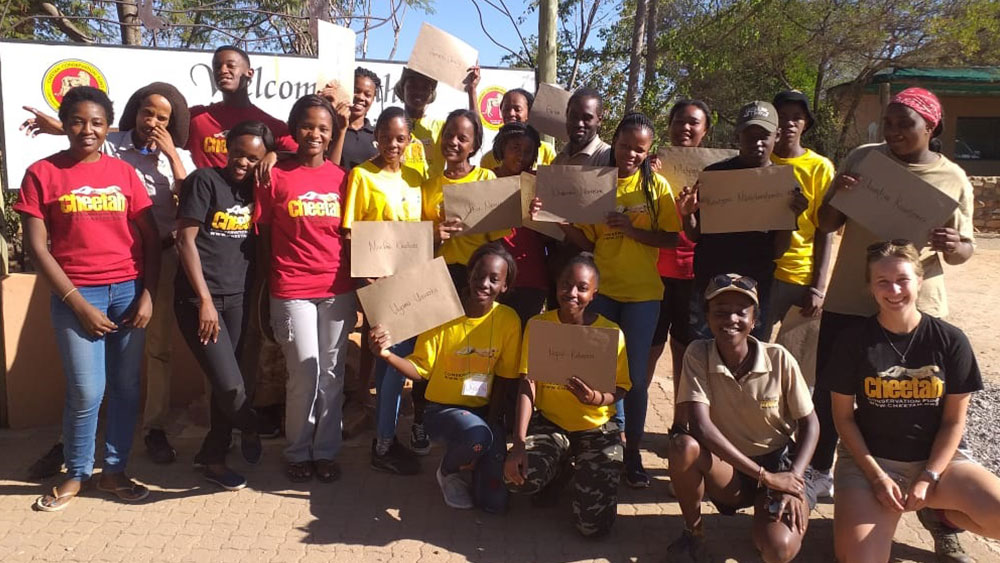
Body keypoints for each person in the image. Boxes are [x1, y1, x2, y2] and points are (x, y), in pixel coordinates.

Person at [812, 87, 976, 560]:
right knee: (834, 400)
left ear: (931, 127)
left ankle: (939, 514)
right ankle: (820, 481)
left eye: (906, 124)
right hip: (851, 301)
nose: (894, 132)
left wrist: (954, 246)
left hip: (915, 310)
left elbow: (965, 248)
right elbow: (825, 223)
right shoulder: (864, 159)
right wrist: (839, 196)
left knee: (921, 408)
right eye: (888, 122)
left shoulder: (952, 178)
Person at [20, 82, 197, 471]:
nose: (153, 122)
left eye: (162, 117)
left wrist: (171, 154)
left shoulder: (179, 156)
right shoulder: (113, 145)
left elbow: (190, 201)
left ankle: (152, 430)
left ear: (173, 123)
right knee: (87, 382)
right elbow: (86, 134)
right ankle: (70, 445)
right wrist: (59, 125)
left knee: (156, 352)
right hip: (94, 272)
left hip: (157, 260)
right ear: (134, 113)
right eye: (147, 113)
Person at [825, 240, 1000, 562]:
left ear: (920, 281)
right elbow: (843, 418)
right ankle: (872, 516)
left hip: (938, 464)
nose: (894, 290)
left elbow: (954, 422)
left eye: (902, 279)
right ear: (870, 287)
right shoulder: (853, 340)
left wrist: (929, 477)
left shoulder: (950, 340)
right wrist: (877, 477)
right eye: (882, 281)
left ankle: (942, 514)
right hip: (872, 463)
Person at [550, 112, 680, 488]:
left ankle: (633, 452)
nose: (630, 154)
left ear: (648, 150)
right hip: (603, 294)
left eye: (639, 149)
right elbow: (588, 242)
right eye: (624, 146)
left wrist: (634, 232)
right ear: (615, 143)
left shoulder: (656, 188)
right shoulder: (598, 184)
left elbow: (672, 238)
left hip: (643, 296)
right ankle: (608, 446)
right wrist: (562, 223)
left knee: (634, 379)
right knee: (602, 372)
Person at [667, 274, 819, 563]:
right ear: (707, 317)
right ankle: (693, 533)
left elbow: (810, 424)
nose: (731, 319)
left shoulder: (779, 358)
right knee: (682, 447)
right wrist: (763, 476)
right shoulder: (698, 354)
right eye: (721, 311)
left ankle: (769, 519)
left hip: (778, 465)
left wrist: (794, 478)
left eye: (741, 312)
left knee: (778, 549)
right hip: (730, 470)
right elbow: (701, 426)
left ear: (755, 320)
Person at [370, 242, 522, 512]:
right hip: (441, 410)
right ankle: (448, 471)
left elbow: (504, 378)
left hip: (483, 413)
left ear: (504, 286)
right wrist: (386, 355)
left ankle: (474, 453)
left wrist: (491, 425)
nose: (484, 284)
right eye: (479, 275)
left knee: (494, 503)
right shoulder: (443, 315)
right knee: (476, 437)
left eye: (494, 279)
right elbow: (419, 370)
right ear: (469, 274)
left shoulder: (508, 320)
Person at [257, 95, 355, 482]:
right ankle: (297, 451)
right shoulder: (275, 176)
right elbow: (264, 235)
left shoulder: (344, 179)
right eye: (308, 126)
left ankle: (326, 452)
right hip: (291, 288)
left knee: (332, 374)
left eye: (323, 128)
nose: (315, 133)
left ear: (332, 135)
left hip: (336, 288)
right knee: (304, 372)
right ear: (295, 129)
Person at [504, 253, 630, 537]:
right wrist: (519, 444)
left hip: (597, 427)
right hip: (551, 423)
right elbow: (528, 385)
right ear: (556, 285)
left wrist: (596, 399)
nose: (572, 293)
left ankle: (589, 472)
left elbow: (621, 388)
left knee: (593, 529)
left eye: (582, 288)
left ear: (594, 293)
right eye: (565, 285)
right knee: (517, 479)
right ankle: (561, 470)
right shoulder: (539, 326)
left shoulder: (610, 333)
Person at [175, 120, 272, 490]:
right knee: (231, 386)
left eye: (253, 158)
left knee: (225, 383)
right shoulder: (204, 181)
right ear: (227, 150)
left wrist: (275, 156)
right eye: (238, 154)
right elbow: (185, 241)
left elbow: (293, 152)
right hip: (200, 300)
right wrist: (204, 301)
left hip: (239, 298)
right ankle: (252, 426)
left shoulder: (254, 189)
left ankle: (212, 457)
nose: (243, 162)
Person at [676, 101, 807, 342]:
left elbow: (779, 250)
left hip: (755, 289)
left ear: (777, 136)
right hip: (710, 285)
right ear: (738, 135)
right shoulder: (714, 176)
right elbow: (695, 235)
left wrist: (791, 218)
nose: (757, 142)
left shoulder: (784, 185)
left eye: (764, 135)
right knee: (704, 352)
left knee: (750, 355)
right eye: (749, 135)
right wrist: (687, 214)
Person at [342, 106, 426, 475]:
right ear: (376, 137)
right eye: (387, 137)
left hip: (412, 283)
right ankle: (383, 445)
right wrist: (366, 282)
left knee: (398, 361)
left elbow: (421, 232)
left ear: (409, 141)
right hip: (379, 285)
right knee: (388, 360)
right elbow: (350, 233)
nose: (393, 144)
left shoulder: (416, 178)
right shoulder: (362, 175)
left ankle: (387, 438)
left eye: (400, 138)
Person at [648, 99, 712, 430]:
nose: (685, 128)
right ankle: (629, 427)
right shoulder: (650, 165)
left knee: (685, 353)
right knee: (648, 349)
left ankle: (681, 426)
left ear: (705, 131)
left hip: (693, 276)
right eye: (679, 121)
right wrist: (648, 174)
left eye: (693, 123)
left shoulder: (716, 173)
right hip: (654, 273)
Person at [763, 90, 835, 337]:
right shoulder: (758, 160)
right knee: (753, 347)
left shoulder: (820, 168)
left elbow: (825, 229)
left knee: (795, 352)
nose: (789, 123)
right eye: (782, 116)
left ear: (806, 124)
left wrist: (818, 288)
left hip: (799, 275)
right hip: (760, 272)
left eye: (797, 117)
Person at [186, 45, 297, 168]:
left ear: (249, 73)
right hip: (205, 180)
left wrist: (275, 155)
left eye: (231, 66)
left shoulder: (271, 125)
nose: (223, 70)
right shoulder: (196, 118)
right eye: (217, 67)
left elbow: (301, 155)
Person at [490, 122, 551, 326]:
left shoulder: (540, 182)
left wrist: (542, 215)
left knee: (523, 337)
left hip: (530, 278)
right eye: (515, 148)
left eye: (528, 151)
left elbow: (554, 235)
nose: (521, 156)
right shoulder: (485, 179)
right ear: (502, 147)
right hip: (491, 276)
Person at [394, 66, 481, 179]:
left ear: (430, 93)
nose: (418, 91)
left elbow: (475, 130)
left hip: (434, 189)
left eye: (425, 87)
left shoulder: (442, 128)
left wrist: (472, 91)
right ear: (403, 89)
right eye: (412, 86)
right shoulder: (393, 126)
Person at [478, 88, 557, 170]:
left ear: (529, 113)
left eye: (517, 109)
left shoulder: (546, 152)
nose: (511, 113)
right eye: (506, 109)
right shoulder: (488, 159)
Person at [322, 66, 381, 171]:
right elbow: (329, 170)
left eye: (367, 95)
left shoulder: (377, 135)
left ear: (373, 99)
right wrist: (341, 130)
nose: (360, 97)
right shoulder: (329, 130)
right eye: (356, 91)